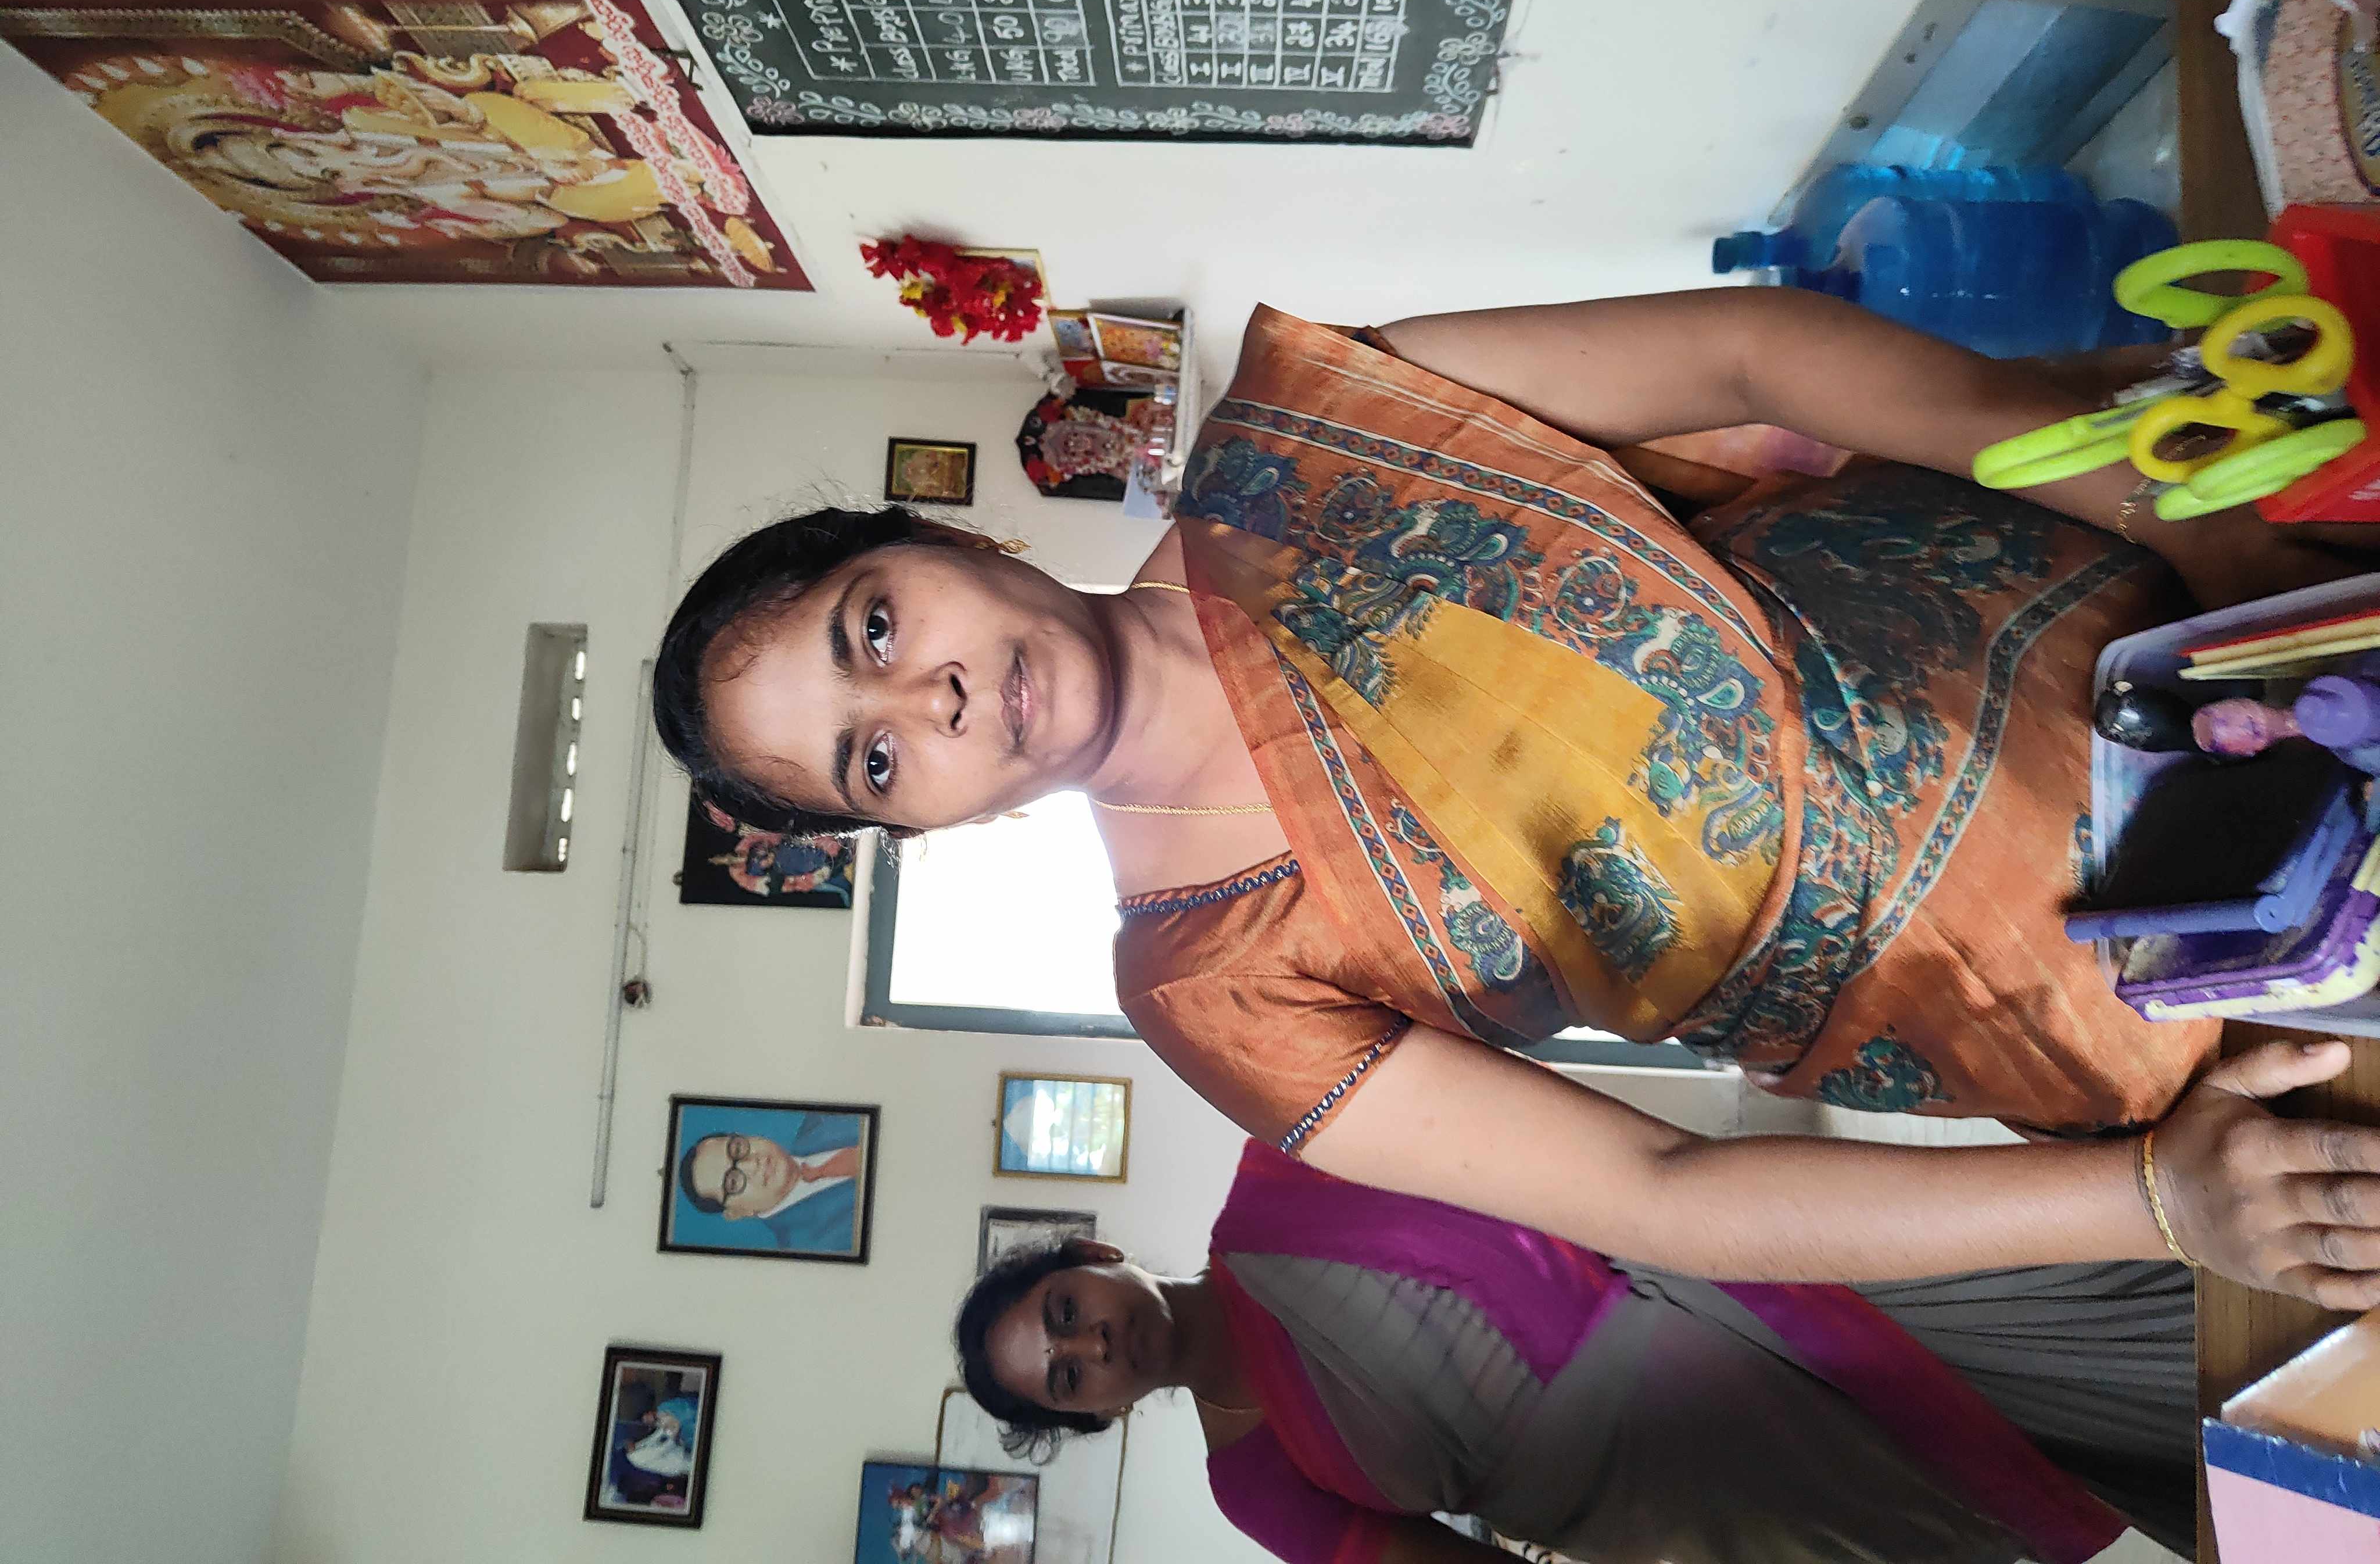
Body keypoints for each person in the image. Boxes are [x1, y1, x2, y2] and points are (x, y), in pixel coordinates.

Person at [653, 287, 2380, 1306]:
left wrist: (2185, 510)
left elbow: (1748, 357)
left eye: (873, 627)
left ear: (944, 536)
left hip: (2215, 625)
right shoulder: (1208, 977)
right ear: (927, 827)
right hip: (2192, 1006)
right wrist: (2166, 1200)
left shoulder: (1310, 431)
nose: (931, 698)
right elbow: (1661, 1195)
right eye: (875, 757)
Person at [957, 1140, 2198, 1563]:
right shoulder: (1254, 1481)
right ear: (1096, 1415)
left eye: (1064, 1310)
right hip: (1699, 1512)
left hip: (1756, 1282)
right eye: (1067, 1378)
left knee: (2095, 1342)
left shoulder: (1283, 1167)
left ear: (1094, 1256)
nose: (1093, 1343)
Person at [677, 1113, 863, 1254]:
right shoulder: (812, 1251)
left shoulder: (824, 1117)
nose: (752, 1164)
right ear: (738, 1213)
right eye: (733, 1182)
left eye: (737, 1149)